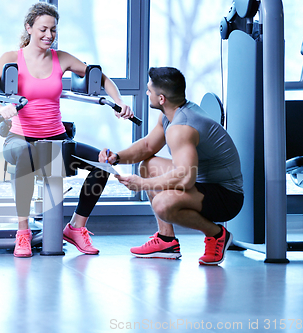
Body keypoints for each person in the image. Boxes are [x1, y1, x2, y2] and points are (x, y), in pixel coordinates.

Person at [0, 3, 133, 258]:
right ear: (29, 28)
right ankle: (23, 232)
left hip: (57, 139)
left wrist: (119, 102)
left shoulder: (61, 58)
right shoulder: (11, 58)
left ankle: (75, 227)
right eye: (42, 29)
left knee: (103, 165)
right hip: (20, 138)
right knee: (26, 156)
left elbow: (103, 78)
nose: (48, 35)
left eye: (53, 30)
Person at [99, 67, 244, 265]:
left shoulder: (182, 127)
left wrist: (142, 184)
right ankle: (166, 241)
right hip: (203, 183)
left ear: (161, 99)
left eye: (149, 90)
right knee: (148, 164)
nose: (147, 92)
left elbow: (185, 177)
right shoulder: (171, 114)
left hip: (226, 196)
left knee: (162, 203)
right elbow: (148, 146)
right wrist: (116, 157)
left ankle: (217, 234)